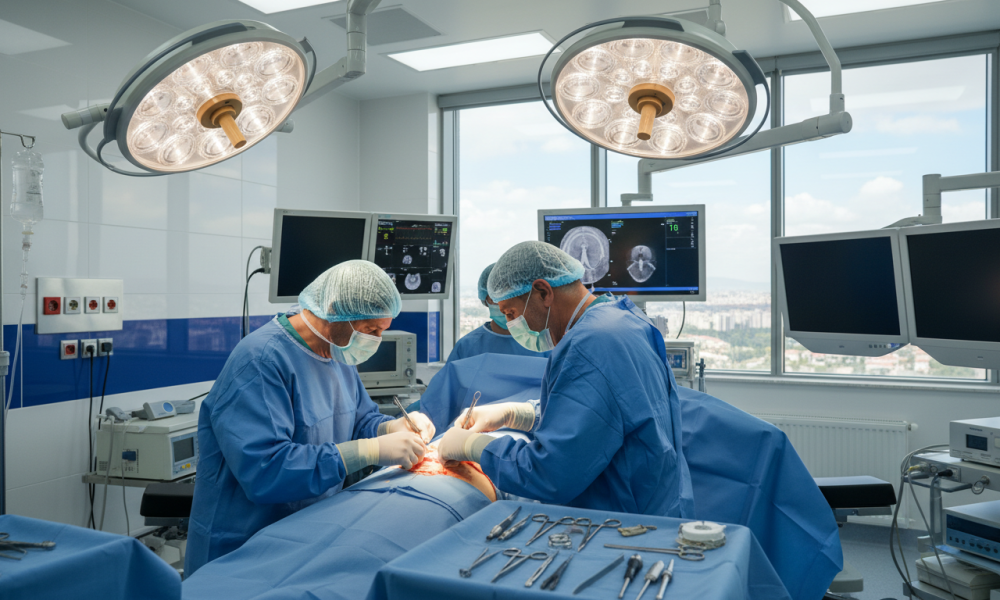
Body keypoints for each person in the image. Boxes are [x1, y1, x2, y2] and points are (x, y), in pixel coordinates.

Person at [186, 260, 436, 575]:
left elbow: (359, 420)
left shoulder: (337, 350)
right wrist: (371, 450)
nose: (374, 340)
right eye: (371, 330)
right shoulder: (261, 362)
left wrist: (391, 426)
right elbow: (267, 471)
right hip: (245, 549)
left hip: (308, 531)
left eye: (381, 331)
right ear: (335, 312)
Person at [438, 241, 694, 517]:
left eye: (511, 314)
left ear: (542, 292)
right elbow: (603, 414)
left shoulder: (591, 344)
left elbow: (550, 473)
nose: (512, 327)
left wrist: (474, 446)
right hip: (656, 508)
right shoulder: (621, 321)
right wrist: (516, 414)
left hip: (625, 526)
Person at [446, 263, 550, 362]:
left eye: (512, 295)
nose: (507, 305)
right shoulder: (467, 346)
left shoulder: (544, 344)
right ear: (486, 300)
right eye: (496, 297)